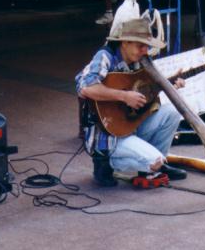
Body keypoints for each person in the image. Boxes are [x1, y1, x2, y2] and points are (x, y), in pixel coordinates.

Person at [75, 16, 187, 186]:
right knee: (153, 160)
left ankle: (155, 168)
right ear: (125, 42)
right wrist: (124, 96)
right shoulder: (105, 56)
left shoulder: (141, 62)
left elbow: (148, 92)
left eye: (147, 46)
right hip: (107, 137)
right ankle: (105, 163)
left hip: (130, 127)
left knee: (171, 113)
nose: (145, 50)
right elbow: (85, 88)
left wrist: (170, 85)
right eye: (140, 45)